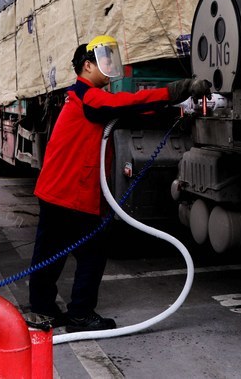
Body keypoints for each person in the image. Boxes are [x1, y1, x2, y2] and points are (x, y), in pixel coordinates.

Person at [28, 35, 211, 332]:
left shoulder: (85, 98)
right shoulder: (88, 96)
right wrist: (175, 91)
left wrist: (175, 108)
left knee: (51, 252)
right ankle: (79, 315)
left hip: (59, 190)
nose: (110, 64)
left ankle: (44, 310)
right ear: (87, 66)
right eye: (105, 60)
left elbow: (127, 110)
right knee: (90, 251)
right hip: (68, 192)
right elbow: (127, 102)